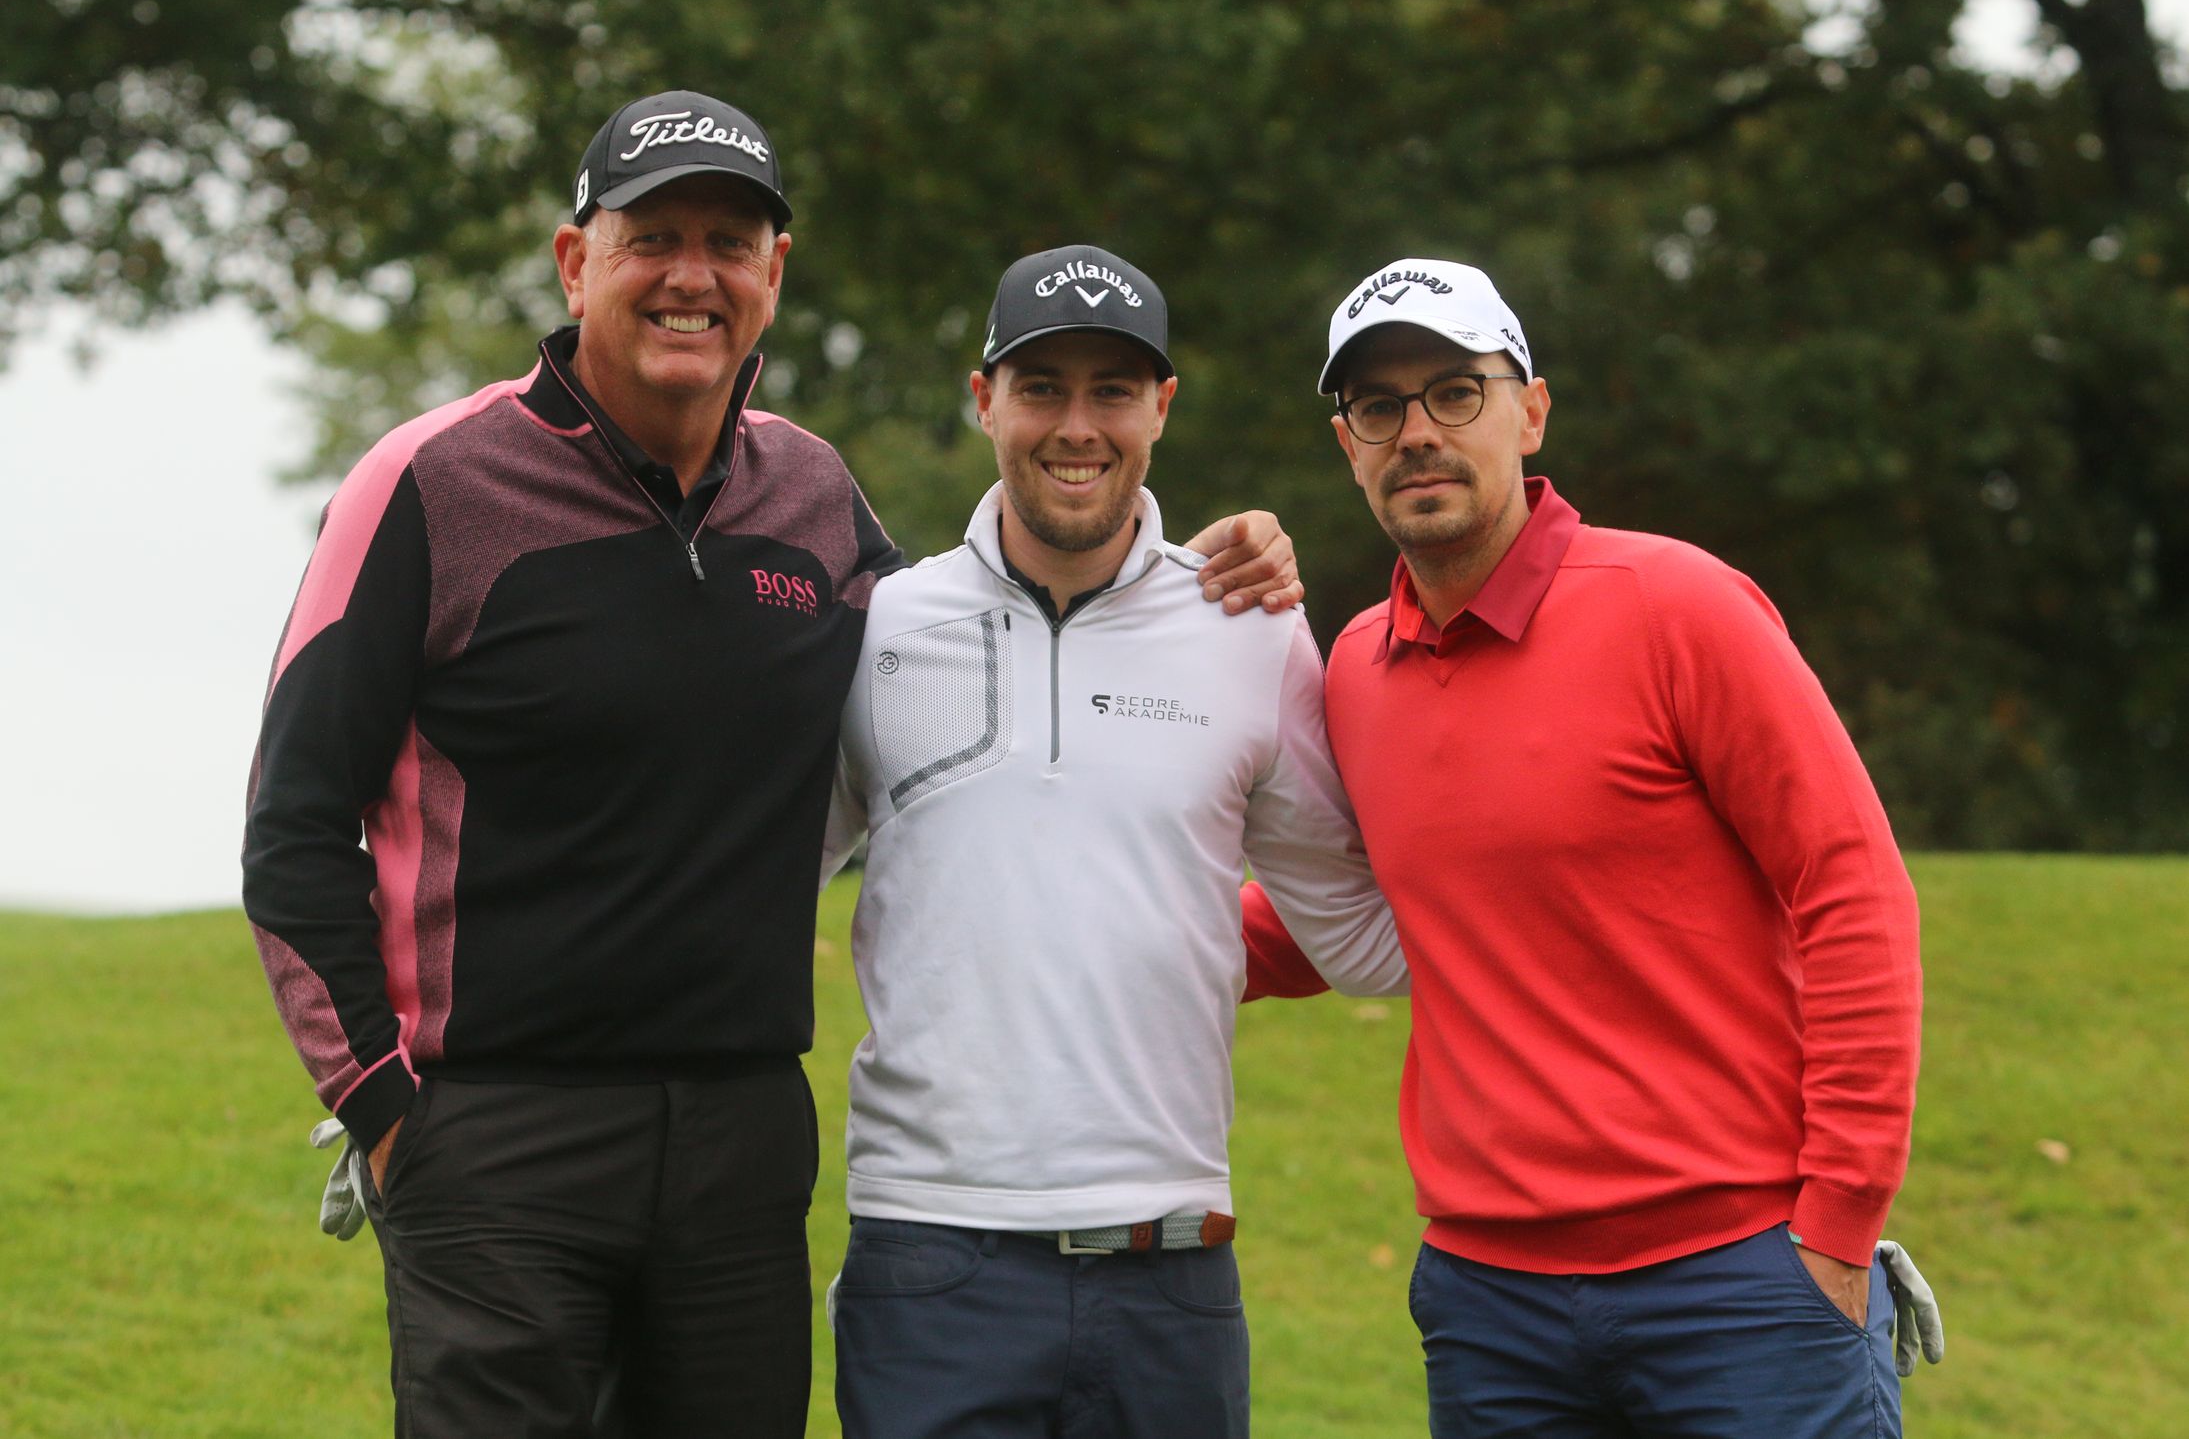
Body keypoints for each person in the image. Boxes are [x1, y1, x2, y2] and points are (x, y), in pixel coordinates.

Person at [242, 92, 1300, 1438]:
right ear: (576, 262)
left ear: (773, 274)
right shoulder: (430, 482)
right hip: (497, 1133)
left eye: (729, 243)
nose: (692, 275)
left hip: (740, 1147)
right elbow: (294, 821)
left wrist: (1190, 567)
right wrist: (384, 1108)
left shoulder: (810, 494)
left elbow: (975, 644)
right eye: (653, 238)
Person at [1243, 258, 1931, 1437]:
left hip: (1738, 1277)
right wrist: (1114, 938)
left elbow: (1849, 887)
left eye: (1454, 391)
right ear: (1347, 445)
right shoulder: (1353, 665)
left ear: (1530, 411)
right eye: (1378, 407)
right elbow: (1347, 910)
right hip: (1489, 1301)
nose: (1418, 432)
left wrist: (1839, 1215)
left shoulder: (1676, 605)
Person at [818, 245, 1411, 1439]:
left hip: (1170, 1267)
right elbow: (749, 891)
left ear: (1161, 407)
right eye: (1040, 387)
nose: (1076, 426)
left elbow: (1360, 936)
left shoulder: (1248, 627)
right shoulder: (881, 628)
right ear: (983, 399)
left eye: (1112, 390)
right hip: (929, 1259)